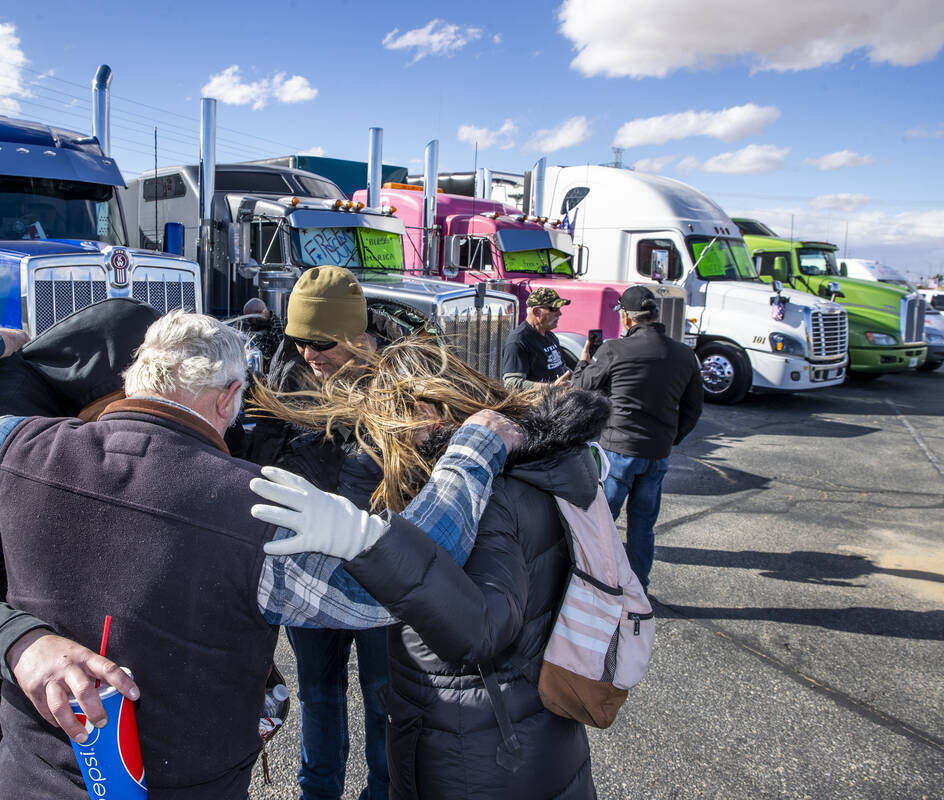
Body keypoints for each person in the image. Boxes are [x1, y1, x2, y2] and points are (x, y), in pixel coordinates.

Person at [0, 309, 519, 800]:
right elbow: (403, 577)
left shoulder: (21, 454)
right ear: (228, 399)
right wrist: (473, 450)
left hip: (29, 779)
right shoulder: (256, 513)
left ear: (136, 380)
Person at [249, 337, 612, 799]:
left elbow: (478, 629)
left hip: (481, 754)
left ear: (426, 412)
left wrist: (369, 544)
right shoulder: (524, 464)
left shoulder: (491, 493)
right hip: (511, 737)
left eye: (392, 429)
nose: (390, 447)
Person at [0, 298, 162, 800]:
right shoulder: (26, 449)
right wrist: (24, 642)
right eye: (130, 403)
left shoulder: (97, 435)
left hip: (51, 696)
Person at [238, 266, 407, 800]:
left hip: (381, 566)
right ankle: (318, 792)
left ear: (360, 337)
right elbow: (257, 462)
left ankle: (383, 792)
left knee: (385, 694)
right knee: (317, 690)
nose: (310, 354)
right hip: (305, 564)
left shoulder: (405, 382)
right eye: (299, 340)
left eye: (321, 342)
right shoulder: (282, 376)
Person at [570, 284, 703, 591]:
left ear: (628, 319)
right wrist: (671, 439)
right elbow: (694, 409)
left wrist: (583, 360)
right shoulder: (684, 355)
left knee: (603, 523)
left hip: (618, 451)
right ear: (655, 315)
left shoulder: (614, 349)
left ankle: (597, 583)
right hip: (657, 453)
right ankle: (638, 588)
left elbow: (580, 385)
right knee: (643, 525)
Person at [501, 287, 573, 389]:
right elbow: (511, 384)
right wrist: (551, 387)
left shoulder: (550, 336)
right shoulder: (517, 341)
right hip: (534, 404)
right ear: (536, 312)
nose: (559, 313)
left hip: (554, 401)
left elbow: (561, 368)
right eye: (554, 309)